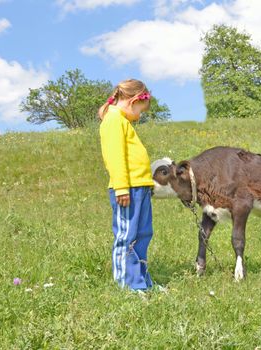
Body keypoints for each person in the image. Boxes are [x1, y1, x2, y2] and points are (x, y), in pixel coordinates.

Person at [98, 79, 155, 291]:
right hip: (127, 189)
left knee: (143, 234)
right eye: (141, 110)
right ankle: (127, 286)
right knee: (127, 236)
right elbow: (115, 157)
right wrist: (121, 187)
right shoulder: (113, 120)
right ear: (133, 101)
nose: (140, 116)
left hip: (139, 187)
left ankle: (141, 283)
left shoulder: (123, 121)